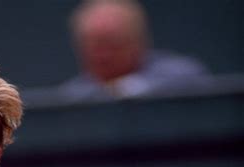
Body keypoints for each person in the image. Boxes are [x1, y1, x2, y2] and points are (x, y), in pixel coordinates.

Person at [59, 0, 209, 100]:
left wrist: (123, 89)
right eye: (94, 46)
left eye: (112, 44)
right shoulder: (74, 97)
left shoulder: (180, 75)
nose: (104, 55)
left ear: (137, 41)